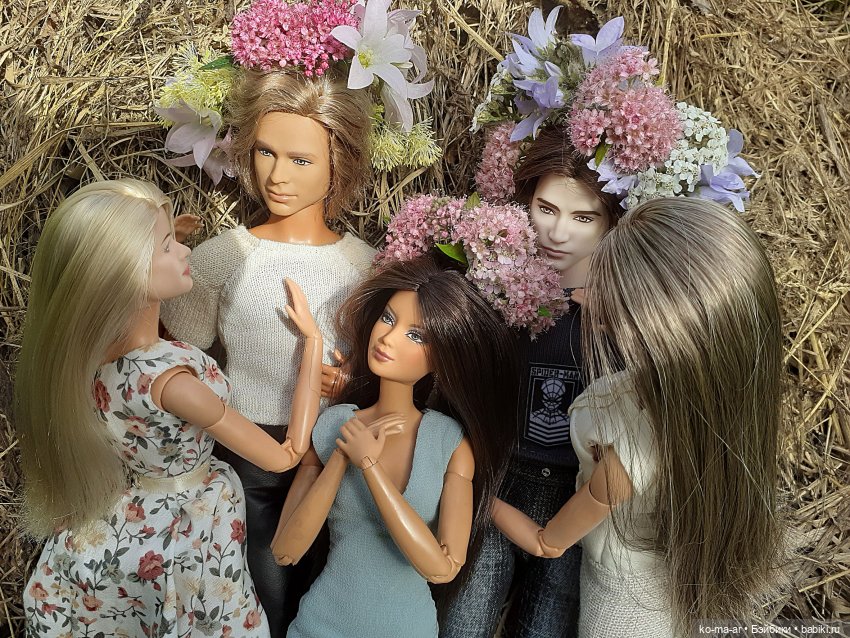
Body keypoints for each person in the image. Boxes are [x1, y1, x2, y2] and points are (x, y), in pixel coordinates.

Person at [17, 179, 325, 637]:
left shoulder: (88, 355)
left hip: (135, 506)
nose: (186, 252)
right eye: (167, 247)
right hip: (189, 523)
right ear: (126, 273)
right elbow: (285, 455)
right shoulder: (175, 384)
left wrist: (162, 241)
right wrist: (313, 345)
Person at [492, 197, 782, 637]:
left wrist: (482, 499)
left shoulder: (632, 450)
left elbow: (547, 542)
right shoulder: (716, 409)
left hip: (621, 604)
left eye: (616, 297)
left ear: (658, 325)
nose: (592, 296)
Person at [159, 66, 377, 632]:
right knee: (262, 596)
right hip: (245, 452)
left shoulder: (365, 267)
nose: (277, 176)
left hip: (334, 456)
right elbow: (179, 361)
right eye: (265, 153)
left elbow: (386, 366)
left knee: (326, 597)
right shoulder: (221, 259)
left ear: (339, 164)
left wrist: (350, 380)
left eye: (301, 160)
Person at [270, 253, 520, 638]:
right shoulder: (335, 424)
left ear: (443, 358)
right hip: (321, 625)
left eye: (415, 335)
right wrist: (341, 457)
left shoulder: (449, 443)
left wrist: (370, 467)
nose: (387, 337)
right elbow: (285, 550)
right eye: (388, 318)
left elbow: (441, 569)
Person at [441, 124, 622, 638]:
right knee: (464, 620)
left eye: (583, 217)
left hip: (577, 491)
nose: (558, 233)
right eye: (546, 209)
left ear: (612, 222)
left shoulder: (624, 315)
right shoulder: (493, 288)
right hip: (498, 476)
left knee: (548, 624)